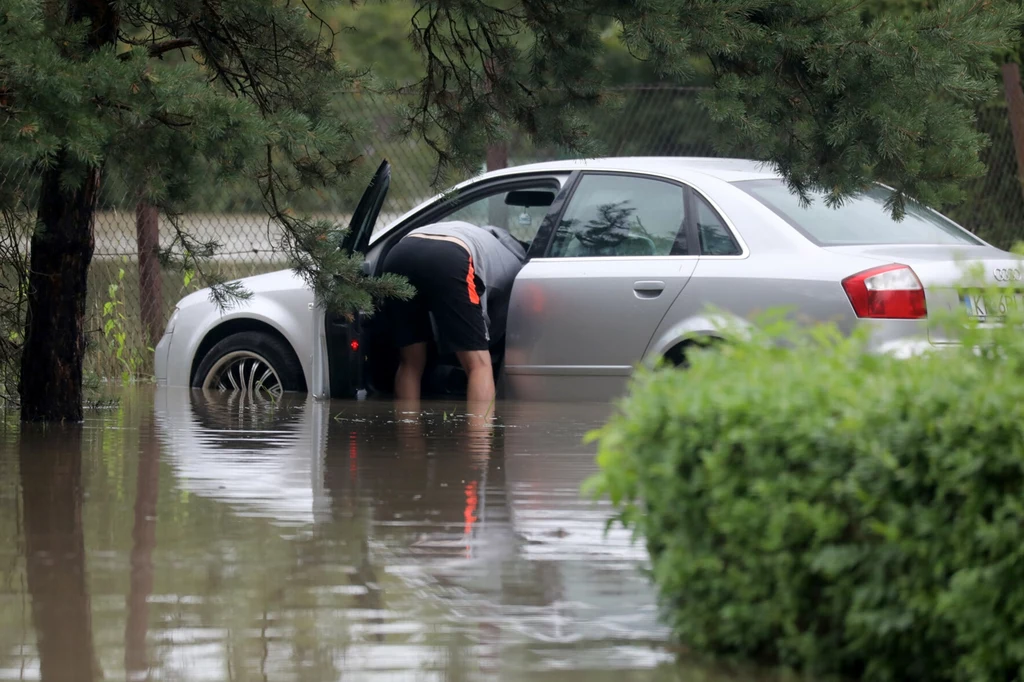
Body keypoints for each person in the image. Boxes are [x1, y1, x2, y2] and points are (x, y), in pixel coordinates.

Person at [380, 220, 526, 407]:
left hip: (400, 253)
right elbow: (491, 326)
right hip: (451, 257)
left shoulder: (480, 236)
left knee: (410, 362)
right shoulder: (514, 266)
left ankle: (408, 434)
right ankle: (479, 435)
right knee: (479, 365)